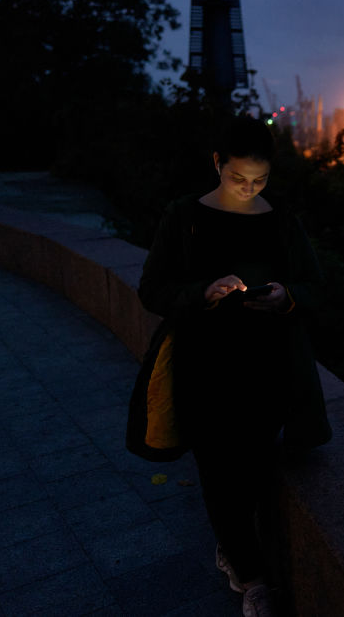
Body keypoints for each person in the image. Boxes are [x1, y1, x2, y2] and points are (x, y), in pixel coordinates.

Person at [136, 115, 331, 617]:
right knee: (219, 471)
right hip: (203, 368)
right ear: (217, 163)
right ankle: (253, 580)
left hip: (268, 371)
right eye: (238, 178)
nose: (249, 190)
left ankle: (235, 549)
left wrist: (287, 296)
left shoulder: (281, 218)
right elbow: (152, 289)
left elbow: (315, 286)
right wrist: (202, 291)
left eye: (260, 180)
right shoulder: (184, 217)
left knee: (253, 468)